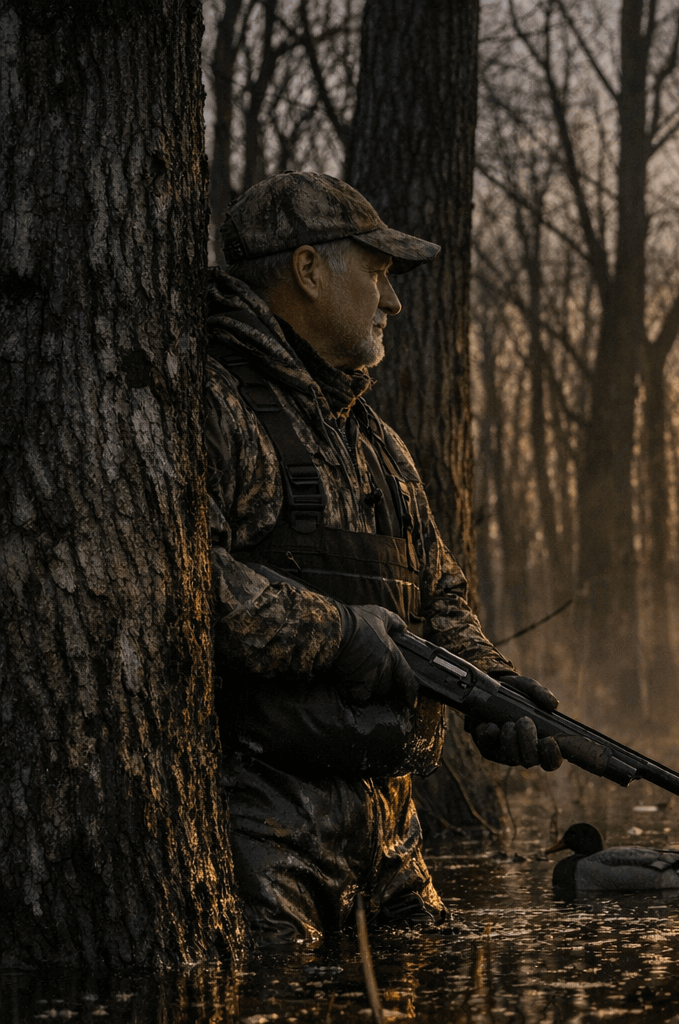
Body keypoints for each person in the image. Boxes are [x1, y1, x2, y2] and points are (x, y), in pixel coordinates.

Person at [204, 171, 563, 943]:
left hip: (394, 835)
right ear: (307, 270)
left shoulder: (378, 442)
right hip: (259, 828)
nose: (393, 302)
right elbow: (181, 584)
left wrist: (492, 691)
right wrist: (342, 634)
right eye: (377, 273)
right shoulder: (212, 402)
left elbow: (440, 596)